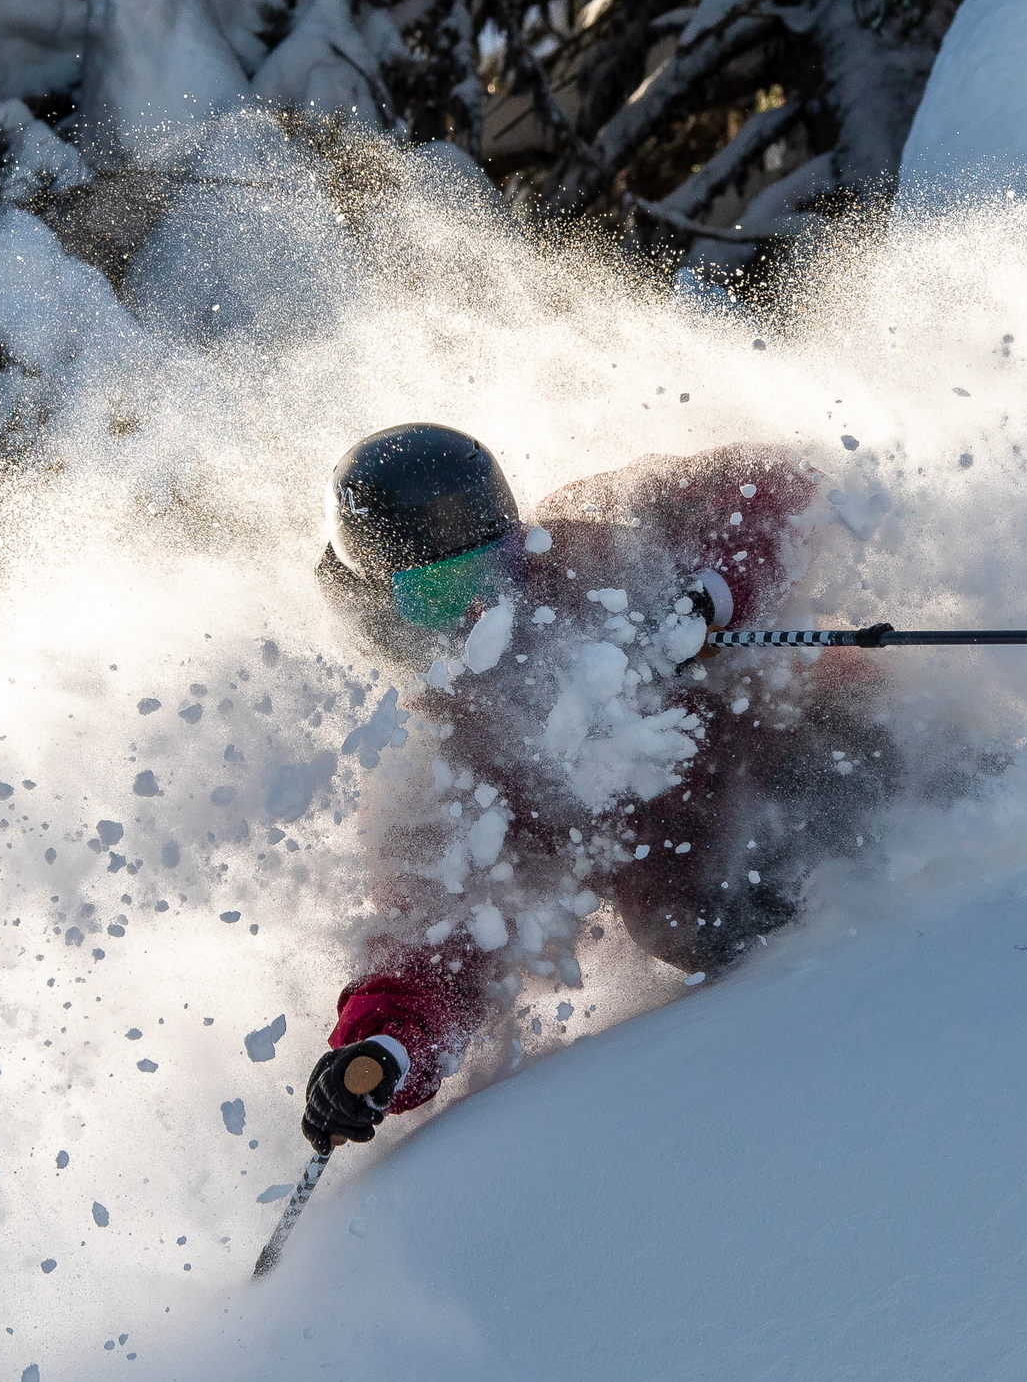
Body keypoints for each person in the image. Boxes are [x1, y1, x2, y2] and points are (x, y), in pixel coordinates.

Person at [300, 422, 897, 1152]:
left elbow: (775, 488)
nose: (482, 608)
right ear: (382, 611)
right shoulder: (441, 765)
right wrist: (385, 1048)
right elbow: (435, 948)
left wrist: (707, 596)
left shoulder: (603, 547)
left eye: (498, 565)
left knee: (859, 734)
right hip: (733, 894)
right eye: (440, 591)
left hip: (835, 748)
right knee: (683, 913)